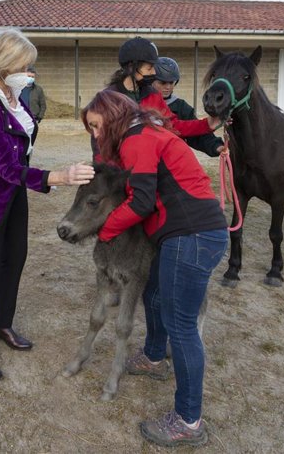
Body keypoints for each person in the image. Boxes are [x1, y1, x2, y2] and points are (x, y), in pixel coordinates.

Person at [82, 90, 227, 448]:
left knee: (182, 326)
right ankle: (153, 357)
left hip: (191, 235)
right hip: (191, 233)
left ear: (113, 117)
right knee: (154, 291)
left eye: (97, 126)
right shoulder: (146, 132)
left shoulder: (138, 139)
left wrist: (107, 228)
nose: (96, 136)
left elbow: (142, 201)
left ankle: (188, 421)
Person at [0, 28, 95, 382]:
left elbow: (20, 150)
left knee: (15, 258)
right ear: (4, 64)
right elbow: (5, 165)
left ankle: (0, 324)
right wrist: (59, 177)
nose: (31, 73)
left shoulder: (15, 97)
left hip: (12, 193)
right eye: (25, 65)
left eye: (32, 67)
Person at [97, 37, 219, 160]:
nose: (154, 72)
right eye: (149, 68)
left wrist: (207, 124)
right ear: (131, 67)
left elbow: (172, 125)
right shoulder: (108, 99)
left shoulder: (153, 95)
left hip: (150, 164)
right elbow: (101, 143)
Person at [153, 57, 224, 157]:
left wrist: (216, 146)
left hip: (173, 160)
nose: (168, 87)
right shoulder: (138, 103)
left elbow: (197, 134)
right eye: (163, 82)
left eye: (171, 82)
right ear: (151, 81)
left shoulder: (181, 107)